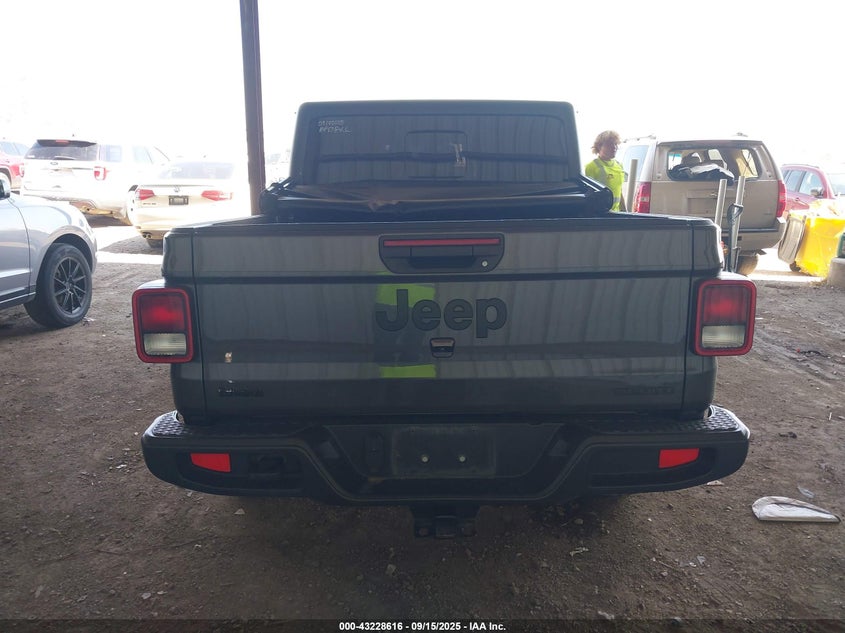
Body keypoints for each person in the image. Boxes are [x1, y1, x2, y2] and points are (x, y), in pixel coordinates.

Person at [585, 130, 627, 211]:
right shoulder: (591, 166)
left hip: (616, 213)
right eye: (610, 144)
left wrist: (625, 211)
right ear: (599, 146)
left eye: (615, 144)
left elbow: (619, 191)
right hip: (601, 214)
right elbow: (589, 195)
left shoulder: (619, 166)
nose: (614, 147)